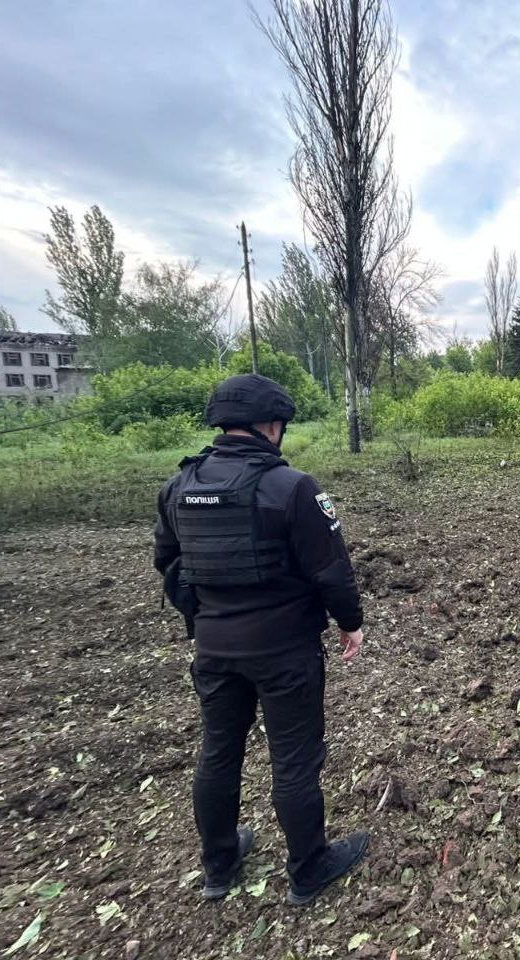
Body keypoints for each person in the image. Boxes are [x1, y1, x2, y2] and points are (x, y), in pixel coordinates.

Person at [154, 373, 368, 905]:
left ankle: (219, 865)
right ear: (272, 426)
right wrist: (350, 622)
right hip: (285, 652)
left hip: (213, 650)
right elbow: (331, 571)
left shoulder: (179, 487)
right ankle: (308, 867)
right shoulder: (293, 488)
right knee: (294, 757)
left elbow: (169, 564)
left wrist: (208, 615)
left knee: (218, 751)